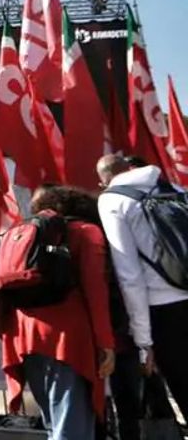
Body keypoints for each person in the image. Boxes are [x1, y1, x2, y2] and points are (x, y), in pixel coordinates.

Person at [0, 186, 114, 440]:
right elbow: (96, 292)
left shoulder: (20, 232)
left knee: (54, 421)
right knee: (70, 425)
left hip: (23, 336)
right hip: (68, 340)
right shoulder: (86, 232)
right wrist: (106, 343)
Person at [97, 153, 188, 418]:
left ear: (103, 181)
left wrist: (143, 342)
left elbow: (130, 276)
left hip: (163, 310)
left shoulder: (112, 200)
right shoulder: (173, 188)